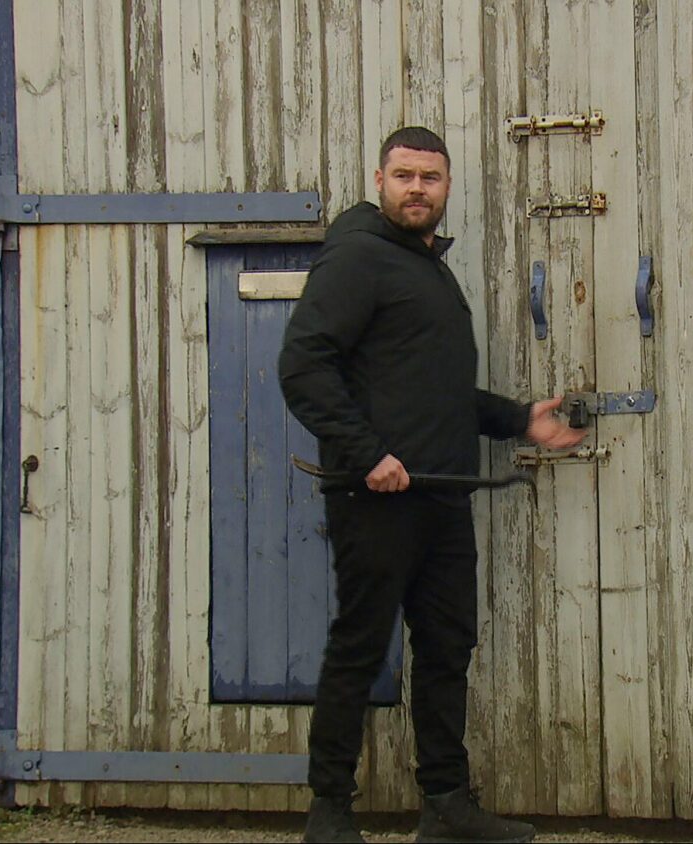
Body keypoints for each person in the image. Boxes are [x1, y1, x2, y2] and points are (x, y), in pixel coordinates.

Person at [278, 126, 582, 844]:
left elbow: (434, 392)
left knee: (447, 648)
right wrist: (366, 454)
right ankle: (329, 814)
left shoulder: (426, 268)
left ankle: (446, 807)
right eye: (405, 175)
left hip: (444, 494)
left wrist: (516, 420)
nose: (418, 188)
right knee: (359, 646)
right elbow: (303, 367)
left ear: (448, 188)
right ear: (379, 178)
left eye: (431, 178)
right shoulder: (356, 258)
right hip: (378, 496)